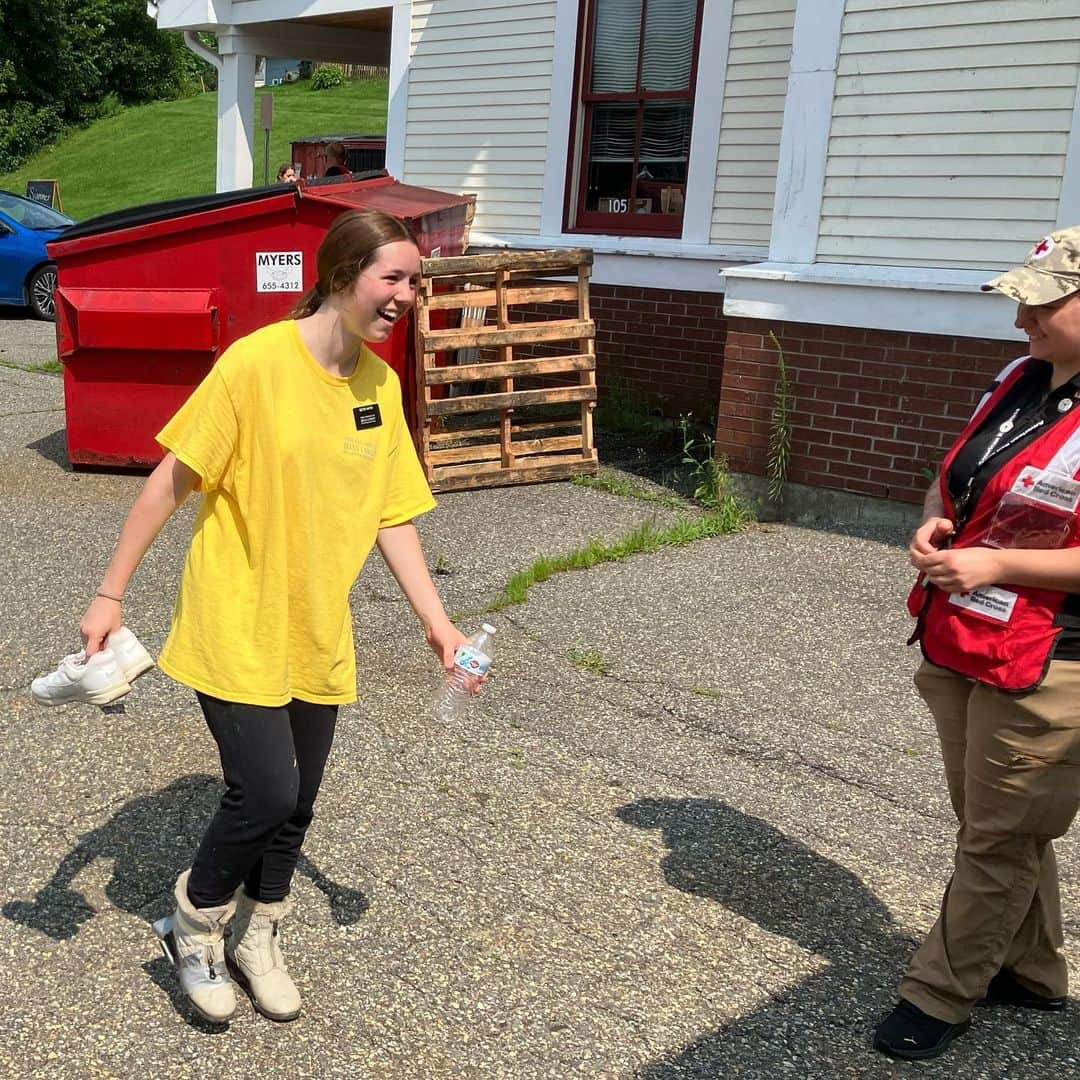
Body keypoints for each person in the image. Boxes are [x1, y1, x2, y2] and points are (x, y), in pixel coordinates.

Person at [79, 209, 470, 1026]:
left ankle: (261, 936)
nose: (406, 295)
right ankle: (193, 926)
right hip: (235, 617)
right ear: (339, 276)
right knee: (263, 792)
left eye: (414, 281)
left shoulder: (379, 386)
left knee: (298, 804)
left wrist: (438, 624)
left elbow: (391, 514)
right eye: (391, 277)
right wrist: (110, 595)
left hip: (315, 626)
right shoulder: (254, 365)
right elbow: (167, 483)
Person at [874, 227, 1080, 1060]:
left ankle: (940, 993)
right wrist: (939, 517)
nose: (1021, 319)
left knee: (996, 833)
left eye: (1043, 301)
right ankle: (1031, 969)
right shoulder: (1019, 378)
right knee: (997, 822)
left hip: (1051, 659)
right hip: (965, 635)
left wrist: (999, 560)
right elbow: (955, 473)